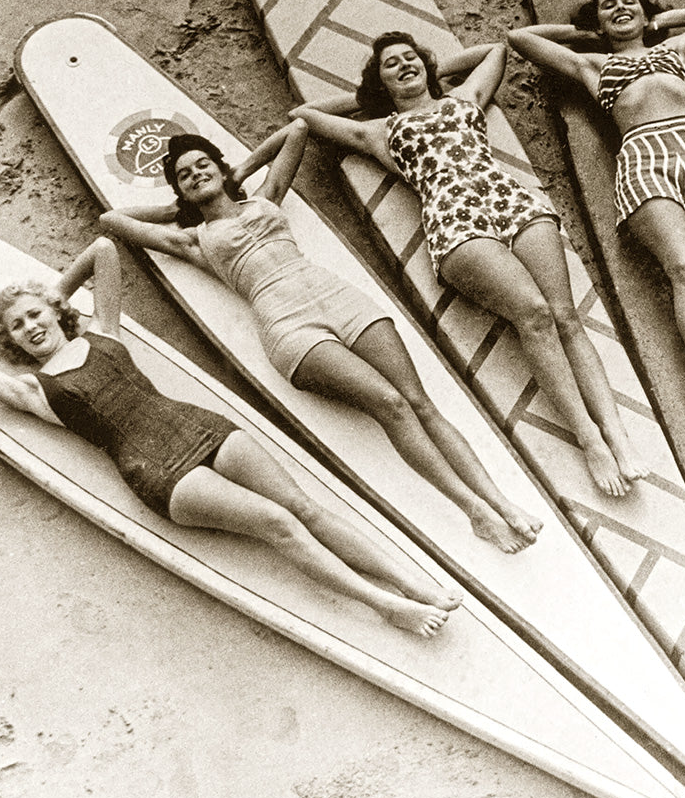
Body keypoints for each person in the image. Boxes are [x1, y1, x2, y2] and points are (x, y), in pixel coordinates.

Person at [0, 237, 459, 636]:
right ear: (11, 341)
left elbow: (104, 248)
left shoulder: (105, 330)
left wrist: (46, 298)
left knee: (305, 507)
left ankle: (412, 584)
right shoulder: (29, 389)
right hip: (157, 472)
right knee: (278, 524)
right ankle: (384, 605)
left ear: (55, 311)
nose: (31, 327)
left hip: (200, 425)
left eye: (35, 315)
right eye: (18, 327)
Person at [99, 120, 540, 553]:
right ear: (180, 190)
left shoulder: (266, 199)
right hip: (289, 325)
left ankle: (502, 502)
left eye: (202, 165)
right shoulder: (193, 240)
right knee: (390, 405)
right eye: (184, 176)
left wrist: (237, 173)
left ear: (219, 165)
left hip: (339, 298)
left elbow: (297, 131)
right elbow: (113, 220)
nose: (196, 174)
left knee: (419, 401)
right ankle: (474, 511)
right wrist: (177, 209)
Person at [291, 32, 649, 495]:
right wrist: (369, 98)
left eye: (411, 58)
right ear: (379, 84)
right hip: (456, 221)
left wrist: (434, 72)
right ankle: (590, 438)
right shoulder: (378, 130)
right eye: (390, 65)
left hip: (511, 203)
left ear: (427, 63)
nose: (404, 65)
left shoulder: (465, 98)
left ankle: (617, 434)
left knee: (565, 317)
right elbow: (303, 116)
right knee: (534, 316)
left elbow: (495, 51)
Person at [509, 0, 685, 450]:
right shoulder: (592, 65)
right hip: (642, 155)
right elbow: (522, 37)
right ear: (597, 20)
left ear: (645, 9)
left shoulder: (673, 48)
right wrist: (586, 31)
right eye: (608, 5)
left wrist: (656, 23)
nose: (620, 8)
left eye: (628, 1)